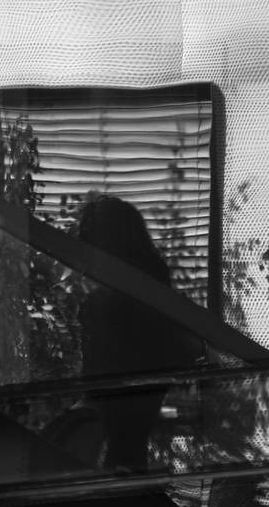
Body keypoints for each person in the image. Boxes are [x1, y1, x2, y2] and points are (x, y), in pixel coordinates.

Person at [73, 194, 202, 473]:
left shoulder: (109, 305)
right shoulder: (151, 295)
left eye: (90, 241)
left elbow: (97, 377)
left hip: (123, 419)